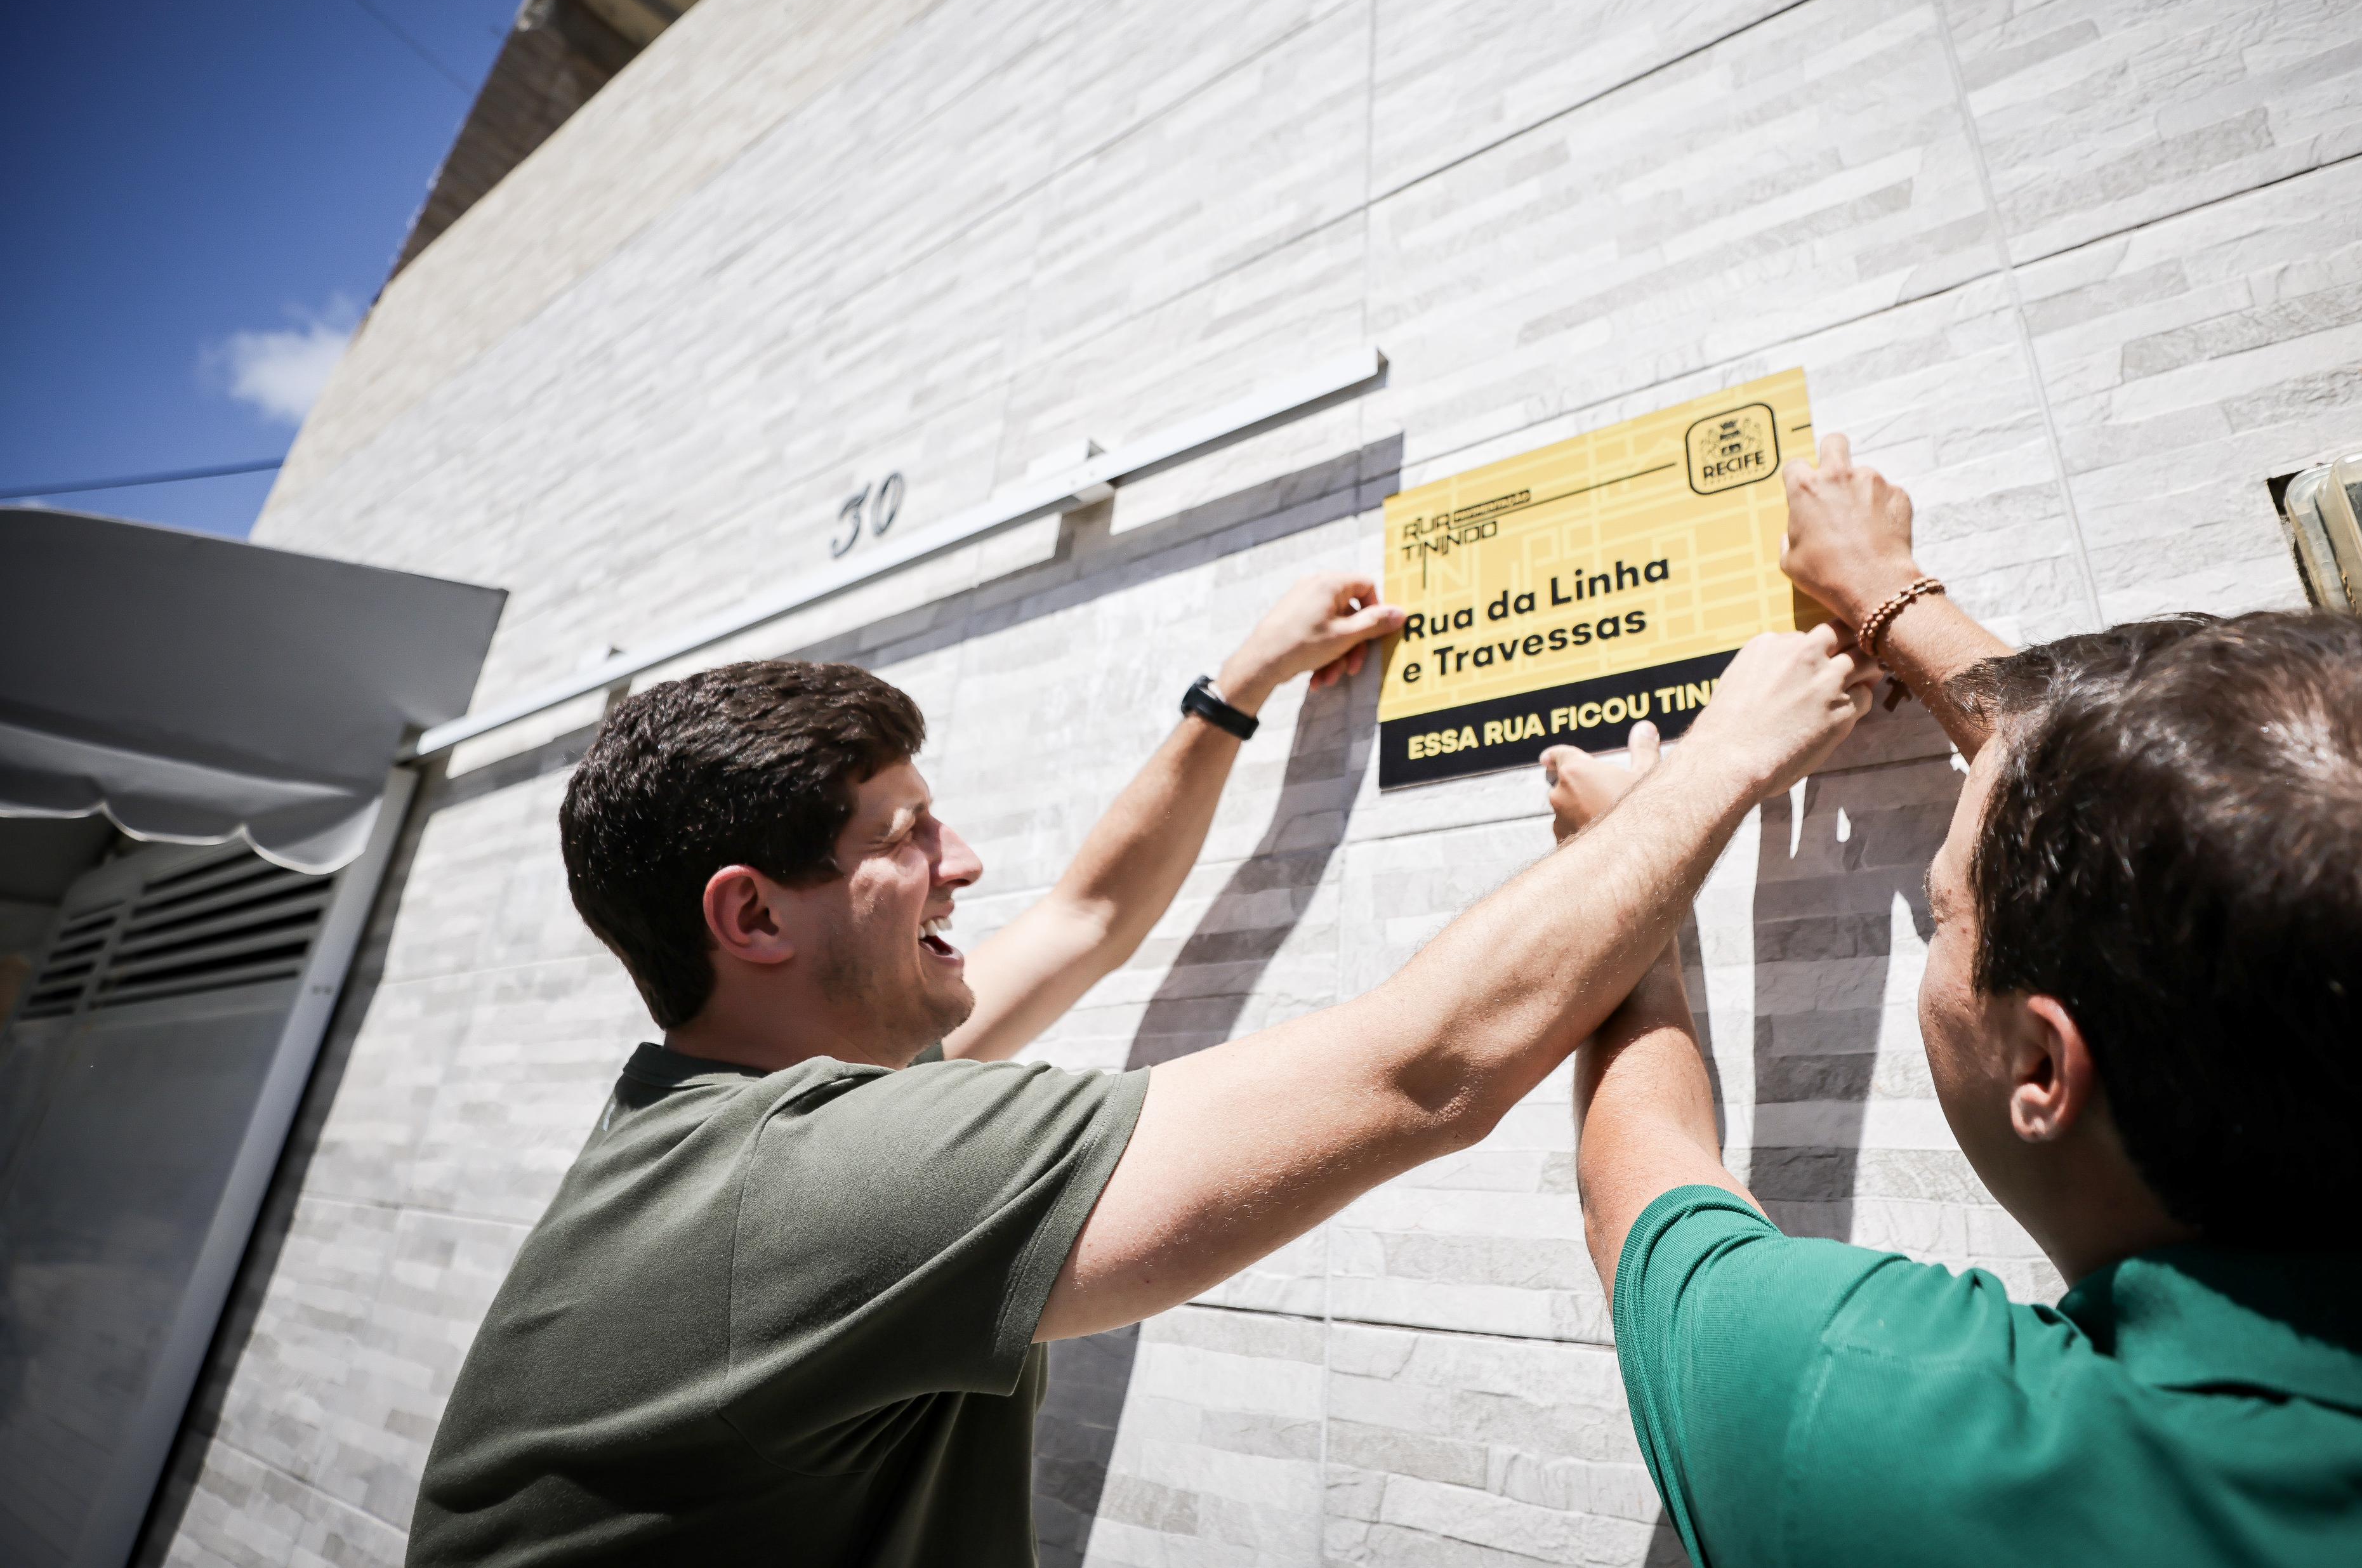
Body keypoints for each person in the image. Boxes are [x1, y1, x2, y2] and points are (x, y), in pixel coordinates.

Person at [406, 570, 1882, 1565]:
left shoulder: (739, 1111)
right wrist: (1716, 765)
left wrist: (1234, 687)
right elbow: (1423, 1070)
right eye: (905, 837)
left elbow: (1088, 917)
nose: (963, 863)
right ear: (753, 915)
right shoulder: (805, 1184)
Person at [1547, 437, 2362, 1566]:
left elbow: (1641, 1162)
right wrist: (1888, 594)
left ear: (2043, 1067)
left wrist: (1631, 844)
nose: (1943, 918)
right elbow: (2182, 823)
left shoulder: (1901, 1424)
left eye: (1944, 913)